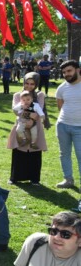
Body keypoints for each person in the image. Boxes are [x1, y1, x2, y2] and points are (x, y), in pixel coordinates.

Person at [8, 72, 49, 185]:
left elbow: (39, 111)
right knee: (19, 150)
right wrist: (30, 116)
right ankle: (15, 177)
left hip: (35, 126)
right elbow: (16, 111)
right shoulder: (17, 95)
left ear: (36, 84)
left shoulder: (39, 95)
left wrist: (32, 120)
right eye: (27, 83)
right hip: (21, 125)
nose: (29, 86)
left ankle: (34, 179)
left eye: (32, 84)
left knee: (34, 151)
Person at [54, 60, 81, 192]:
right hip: (63, 125)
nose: (66, 74)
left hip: (79, 127)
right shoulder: (62, 88)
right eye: (64, 72)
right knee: (64, 153)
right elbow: (60, 106)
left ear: (78, 70)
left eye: (69, 71)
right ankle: (68, 179)